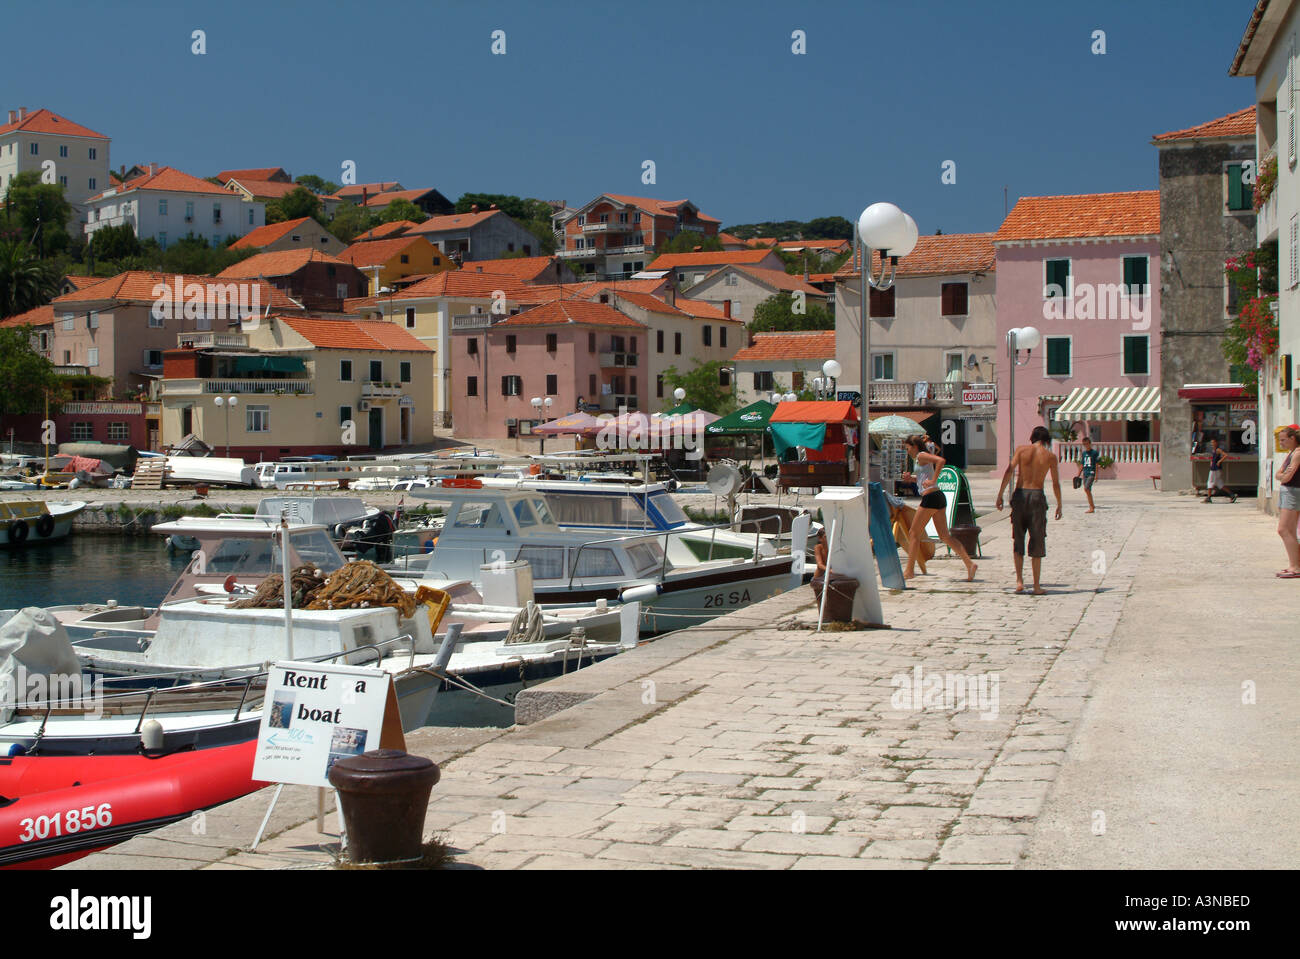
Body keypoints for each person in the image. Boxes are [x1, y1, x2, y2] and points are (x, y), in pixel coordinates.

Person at [996, 425, 1063, 595]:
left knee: (1018, 537)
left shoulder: (1021, 450)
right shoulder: (1050, 456)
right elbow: (1055, 483)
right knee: (1037, 539)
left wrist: (1000, 494)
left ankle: (1019, 582)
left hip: (1019, 495)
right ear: (1046, 440)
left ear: (1032, 437)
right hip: (1037, 496)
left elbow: (1009, 470)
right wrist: (1059, 504)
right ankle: (1036, 586)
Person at [901, 436, 977, 582]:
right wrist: (911, 479)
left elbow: (941, 461)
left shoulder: (921, 455)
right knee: (945, 536)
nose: (907, 451)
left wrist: (934, 480)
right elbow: (924, 477)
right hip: (937, 497)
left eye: (907, 448)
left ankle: (909, 570)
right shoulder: (918, 458)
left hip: (931, 498)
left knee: (913, 533)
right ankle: (969, 564)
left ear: (914, 446)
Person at [1275, 425, 1300, 578]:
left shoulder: (1297, 453)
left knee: (1283, 530)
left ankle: (1296, 567)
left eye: (1283, 440)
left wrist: (1281, 475)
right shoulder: (1291, 453)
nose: (1281, 443)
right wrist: (1281, 475)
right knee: (1290, 531)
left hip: (1292, 493)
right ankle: (1294, 564)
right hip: (1288, 492)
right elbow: (1279, 473)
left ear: (1292, 438)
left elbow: (1286, 476)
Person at [1203, 437, 1237, 503]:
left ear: (1216, 443)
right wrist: (1211, 462)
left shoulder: (1218, 450)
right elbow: (1214, 458)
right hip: (1215, 469)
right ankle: (1232, 495)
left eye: (1213, 442)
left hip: (1215, 469)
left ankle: (1209, 497)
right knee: (1220, 484)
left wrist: (1219, 461)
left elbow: (1225, 455)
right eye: (1211, 443)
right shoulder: (1214, 450)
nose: (1212, 444)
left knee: (1210, 482)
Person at [1075, 436, 1100, 513]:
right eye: (1084, 444)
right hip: (1085, 473)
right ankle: (1091, 506)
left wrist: (1096, 475)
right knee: (1088, 490)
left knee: (1086, 489)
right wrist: (1078, 475)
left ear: (1090, 444)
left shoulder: (1094, 453)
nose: (1085, 445)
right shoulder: (1084, 453)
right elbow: (1082, 464)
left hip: (1091, 473)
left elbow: (1096, 464)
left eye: (1087, 444)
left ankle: (1092, 507)